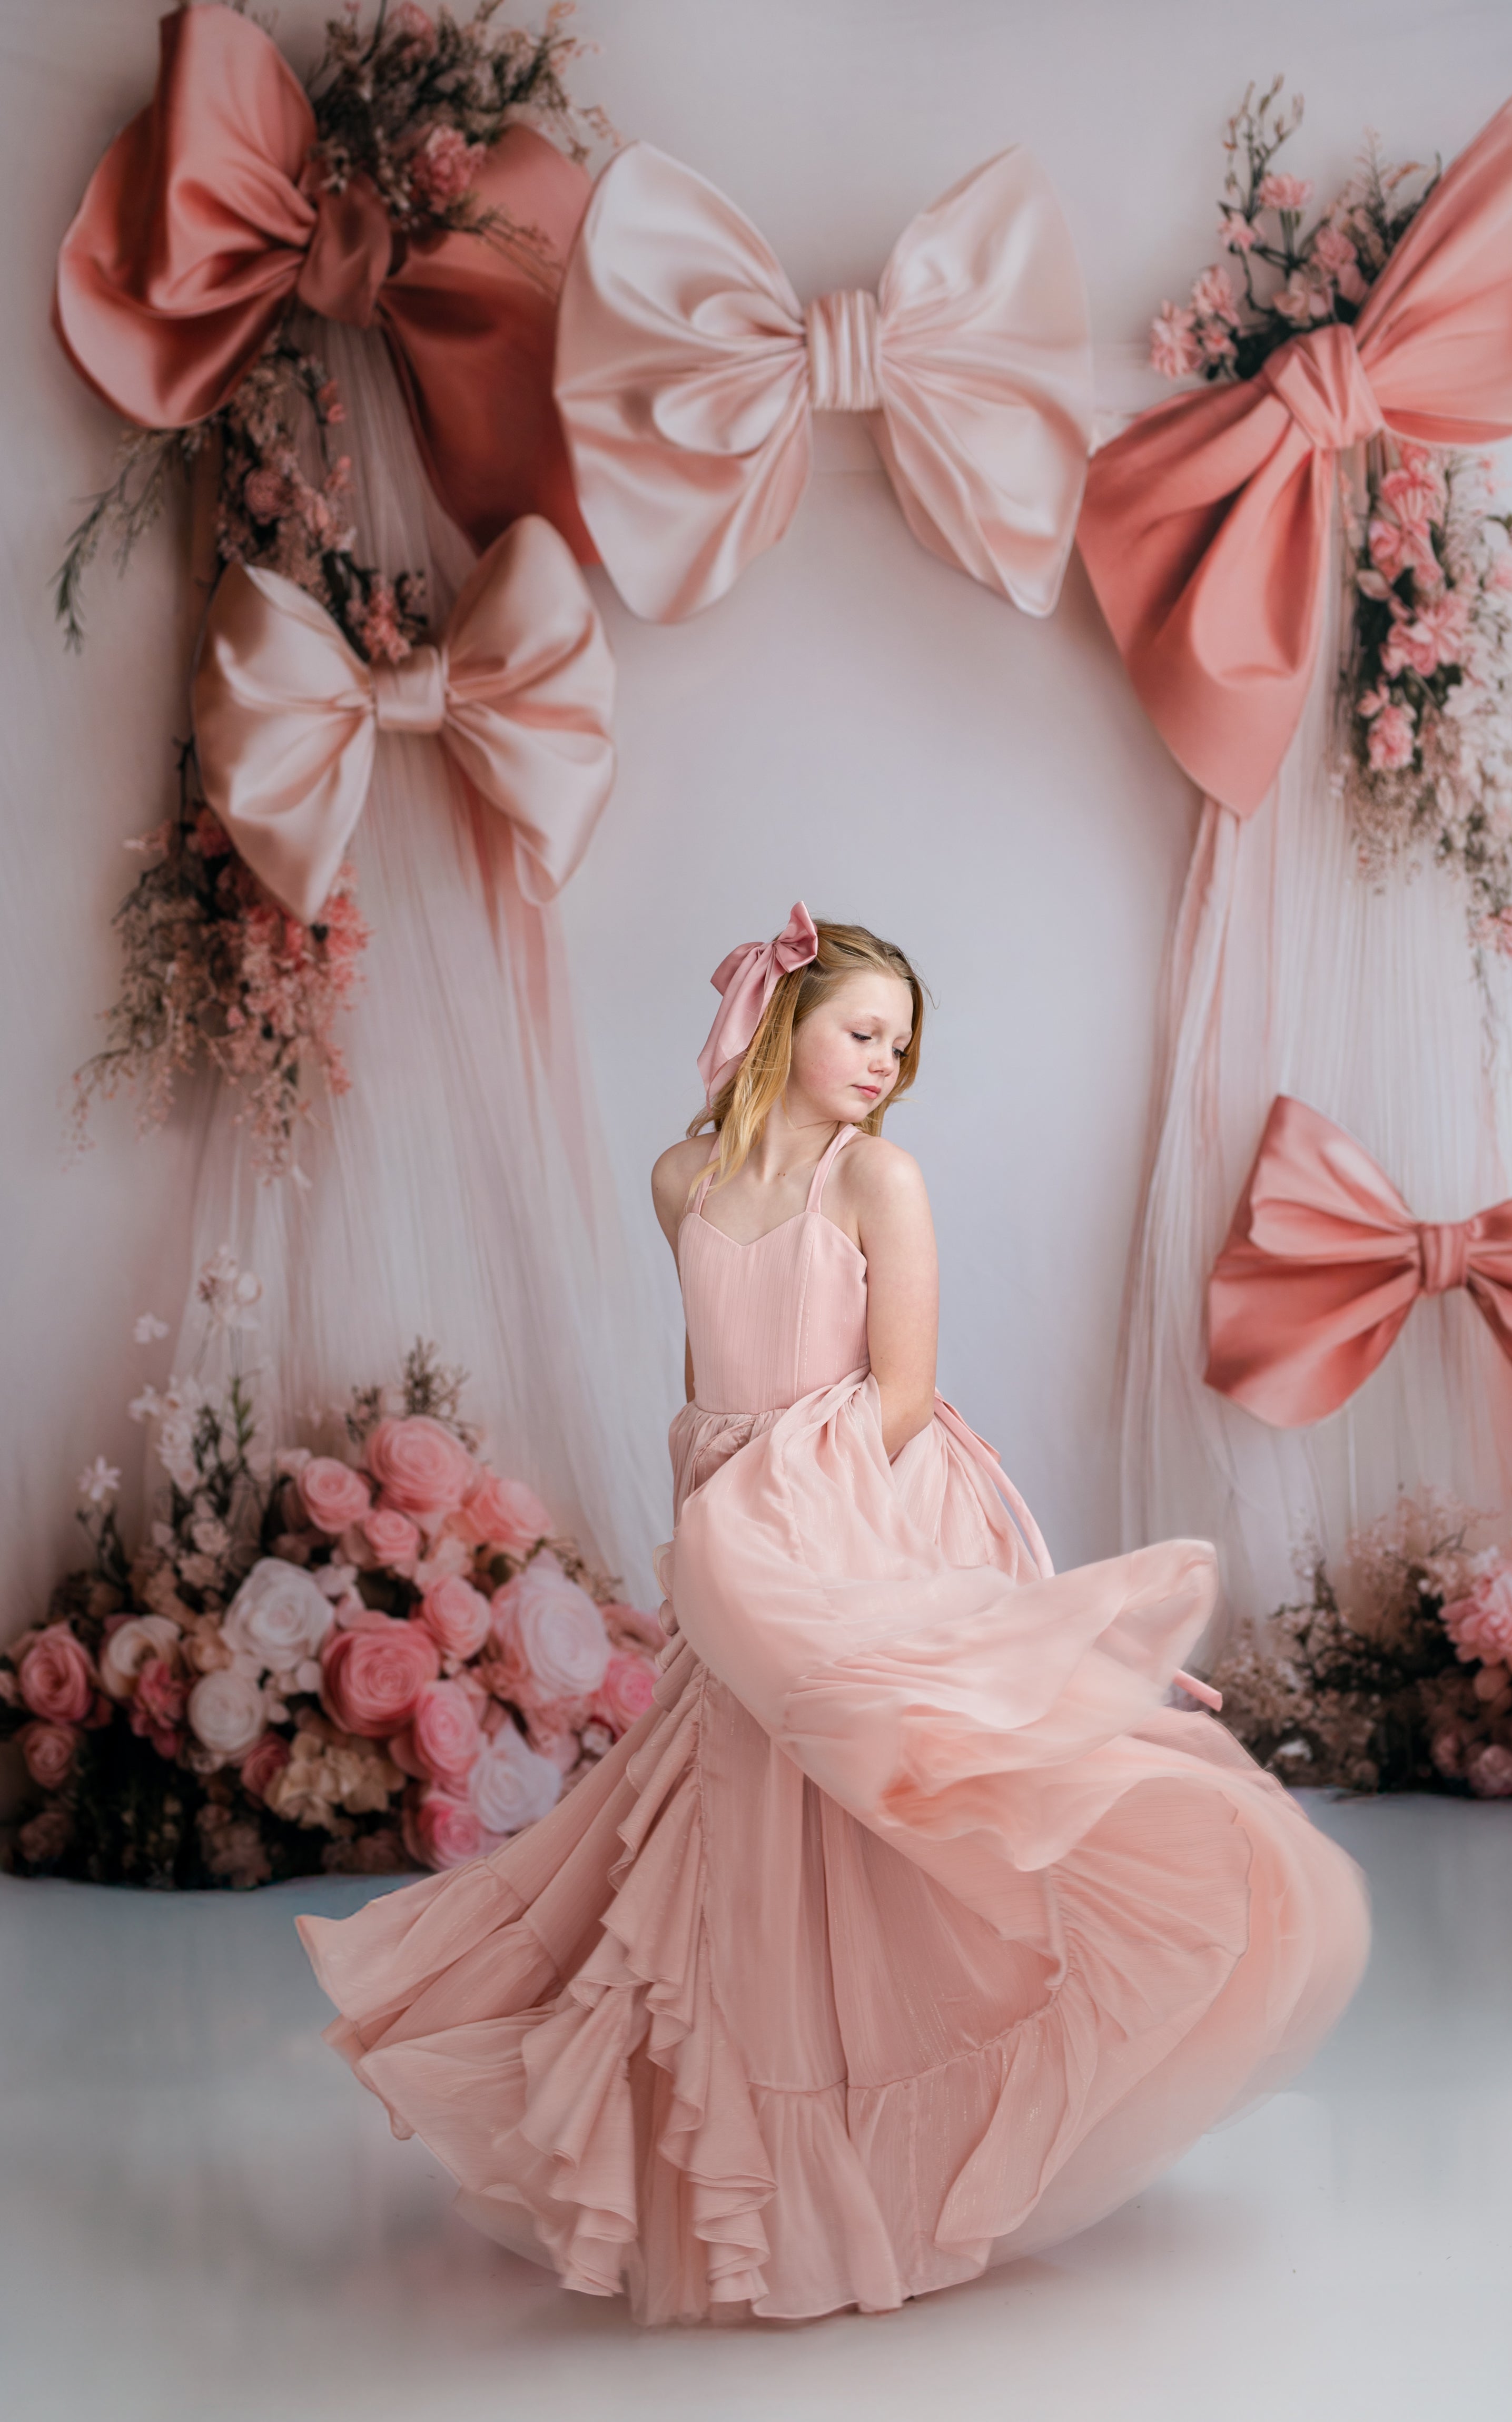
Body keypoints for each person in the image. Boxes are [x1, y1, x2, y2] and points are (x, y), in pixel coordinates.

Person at [298, 905, 1370, 2326]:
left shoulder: (881, 1181)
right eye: (861, 1031)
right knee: (731, 1825)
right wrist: (712, 1524)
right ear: (781, 1023)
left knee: (863, 1802)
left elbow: (903, 1392)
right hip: (734, 1517)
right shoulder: (683, 1177)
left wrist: (783, 1529)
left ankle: (881, 2157)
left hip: (852, 1505)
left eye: (900, 1045)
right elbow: (702, 1380)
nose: (882, 1061)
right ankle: (729, 2166)